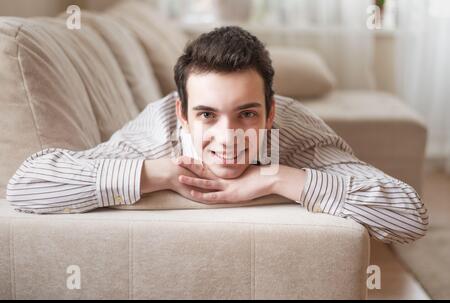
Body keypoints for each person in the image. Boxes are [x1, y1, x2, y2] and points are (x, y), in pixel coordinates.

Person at [6, 26, 428, 244]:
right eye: (207, 114)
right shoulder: (156, 133)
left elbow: (409, 217)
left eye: (246, 113)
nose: (229, 137)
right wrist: (158, 174)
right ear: (183, 115)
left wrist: (277, 177)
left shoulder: (296, 130)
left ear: (270, 114)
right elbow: (25, 188)